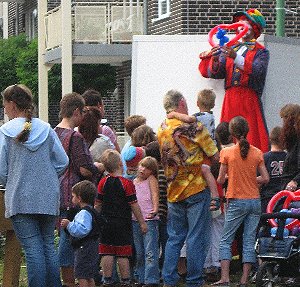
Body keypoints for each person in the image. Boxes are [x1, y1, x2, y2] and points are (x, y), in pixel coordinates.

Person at [0, 84, 69, 287]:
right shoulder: (46, 129)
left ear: (12, 104)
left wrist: (10, 181)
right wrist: (46, 177)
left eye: (4, 104)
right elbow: (63, 162)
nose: (4, 109)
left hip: (21, 198)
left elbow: (1, 170)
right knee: (47, 245)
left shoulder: (5, 131)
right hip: (48, 197)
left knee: (32, 249)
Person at [157, 89, 219, 287]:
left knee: (174, 238)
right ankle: (194, 280)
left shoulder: (162, 128)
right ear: (182, 102)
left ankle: (169, 279)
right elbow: (214, 153)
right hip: (196, 188)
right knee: (195, 237)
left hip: (173, 190)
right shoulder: (193, 127)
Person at [199, 9, 270, 152]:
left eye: (246, 22)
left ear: (255, 28)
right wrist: (213, 57)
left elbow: (257, 71)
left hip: (249, 99)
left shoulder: (261, 52)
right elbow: (217, 73)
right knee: (228, 136)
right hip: (230, 99)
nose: (241, 25)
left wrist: (235, 57)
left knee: (252, 138)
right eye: (240, 22)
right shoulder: (230, 47)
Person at [214, 116, 269, 286]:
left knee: (226, 239)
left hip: (236, 199)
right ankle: (244, 279)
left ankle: (225, 277)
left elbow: (220, 179)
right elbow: (265, 178)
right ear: (247, 131)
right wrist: (252, 179)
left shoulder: (226, 153)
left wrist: (233, 175)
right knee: (249, 239)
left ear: (232, 134)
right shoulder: (257, 152)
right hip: (254, 200)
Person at [55, 92, 102, 287]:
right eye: (82, 111)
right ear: (75, 111)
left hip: (56, 192)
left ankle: (67, 280)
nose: (84, 116)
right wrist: (98, 167)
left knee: (61, 239)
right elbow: (83, 168)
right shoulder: (74, 137)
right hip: (73, 195)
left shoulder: (52, 132)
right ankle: (70, 283)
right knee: (70, 243)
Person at [95, 149, 148, 287]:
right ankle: (126, 280)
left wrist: (95, 218)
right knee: (123, 253)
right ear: (120, 163)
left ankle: (107, 280)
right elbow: (134, 204)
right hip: (123, 223)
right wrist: (142, 222)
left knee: (106, 251)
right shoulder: (127, 183)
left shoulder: (103, 183)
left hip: (106, 222)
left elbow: (98, 203)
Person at [167, 89, 221, 209]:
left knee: (205, 170)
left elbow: (189, 119)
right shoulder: (210, 116)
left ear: (197, 103)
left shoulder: (200, 117)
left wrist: (173, 115)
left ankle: (215, 196)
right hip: (207, 149)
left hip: (206, 151)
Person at [61, 180, 101, 287]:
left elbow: (83, 230)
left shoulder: (84, 213)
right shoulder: (92, 211)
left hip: (84, 247)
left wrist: (69, 225)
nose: (72, 199)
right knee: (89, 274)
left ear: (79, 198)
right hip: (92, 246)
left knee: (81, 274)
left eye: (73, 196)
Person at [132, 156, 160, 286]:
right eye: (142, 166)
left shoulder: (151, 179)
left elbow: (155, 194)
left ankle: (151, 279)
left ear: (152, 172)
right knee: (139, 251)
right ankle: (140, 277)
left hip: (149, 218)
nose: (143, 169)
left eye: (147, 168)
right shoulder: (134, 182)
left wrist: (155, 209)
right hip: (135, 219)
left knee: (150, 250)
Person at [260, 126, 287, 213]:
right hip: (285, 198)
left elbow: (259, 182)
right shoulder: (288, 157)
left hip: (267, 198)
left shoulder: (264, 158)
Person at [279, 104, 300, 192]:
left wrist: (294, 181)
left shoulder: (297, 142)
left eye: (284, 120)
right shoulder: (293, 141)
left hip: (293, 190)